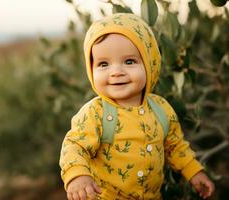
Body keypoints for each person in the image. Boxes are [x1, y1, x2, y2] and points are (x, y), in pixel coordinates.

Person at [59, 13, 214, 200]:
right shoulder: (95, 113)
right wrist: (77, 175)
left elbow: (175, 146)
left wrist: (194, 173)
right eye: (103, 64)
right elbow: (75, 146)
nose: (116, 72)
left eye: (129, 61)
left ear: (149, 64)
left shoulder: (161, 109)